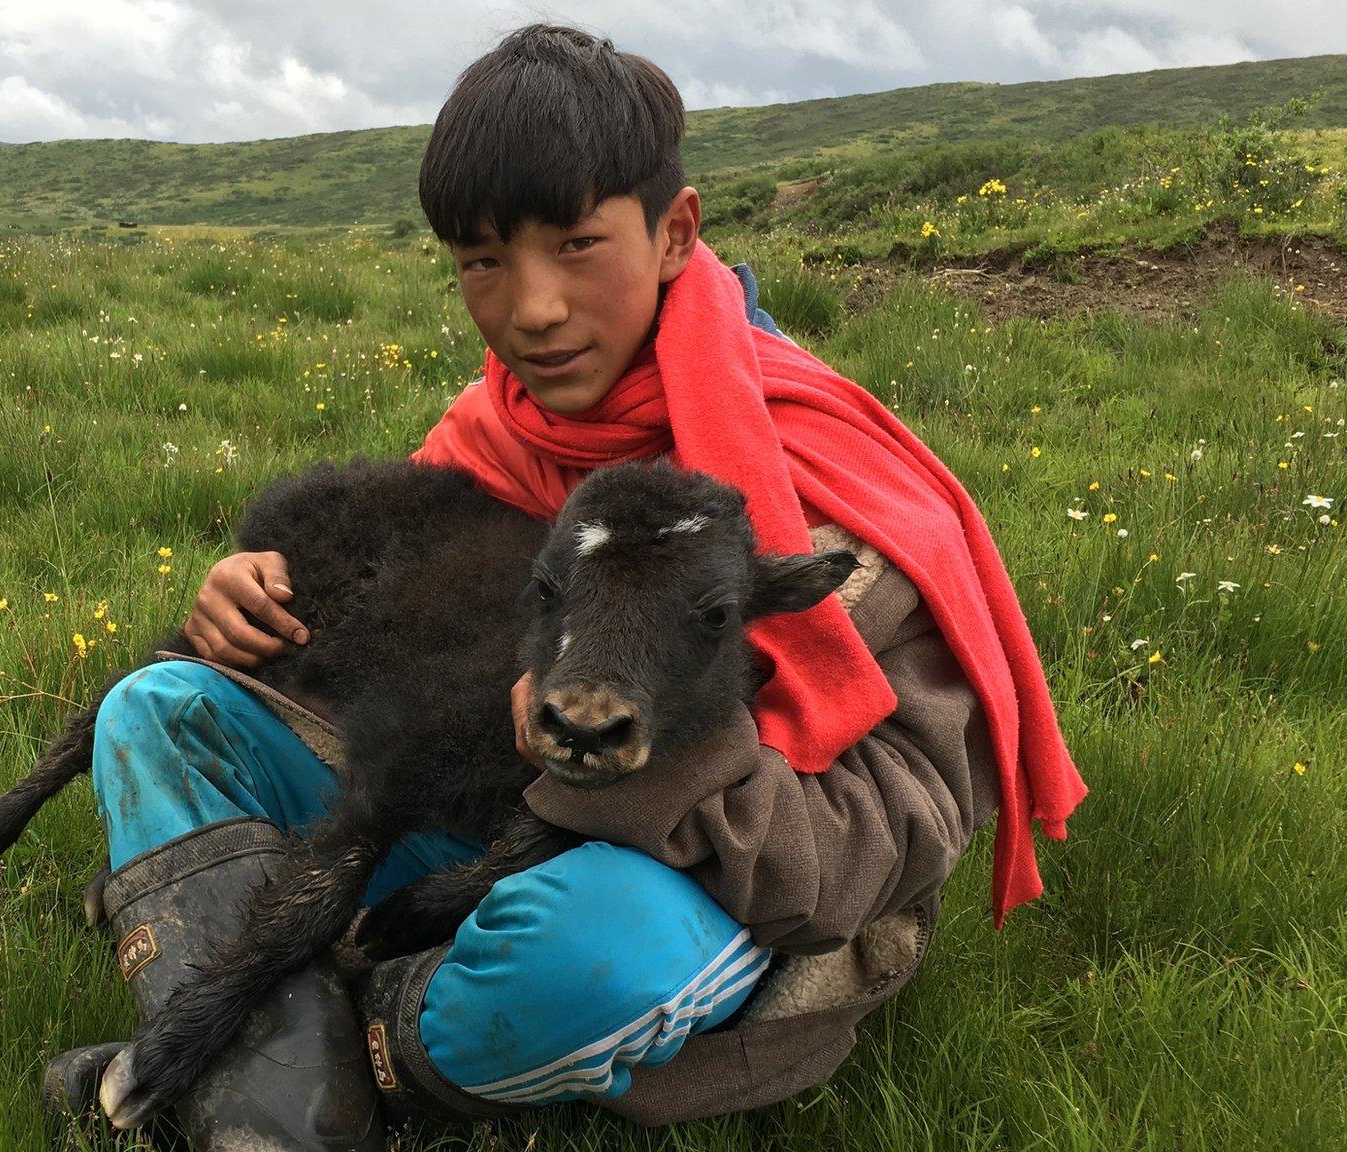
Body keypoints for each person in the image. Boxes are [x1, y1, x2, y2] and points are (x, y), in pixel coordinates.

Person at [58, 23, 1089, 1149]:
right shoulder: (487, 435)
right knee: (152, 711)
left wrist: (629, 760)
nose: (531, 308)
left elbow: (897, 830)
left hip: (703, 885)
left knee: (595, 957)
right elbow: (391, 664)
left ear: (672, 233)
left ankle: (319, 1054)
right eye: (482, 260)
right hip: (461, 809)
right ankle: (290, 1065)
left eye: (577, 245)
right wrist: (251, 611)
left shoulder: (835, 487)